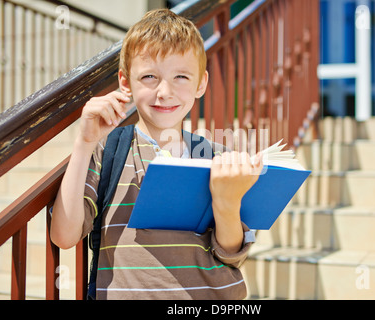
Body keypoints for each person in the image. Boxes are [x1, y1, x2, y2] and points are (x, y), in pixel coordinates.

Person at [50, 8, 263, 300]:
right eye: (150, 76)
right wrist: (83, 143)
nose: (165, 91)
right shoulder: (107, 150)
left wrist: (227, 203)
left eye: (181, 77)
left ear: (201, 83)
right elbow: (64, 236)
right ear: (126, 82)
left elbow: (232, 256)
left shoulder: (220, 158)